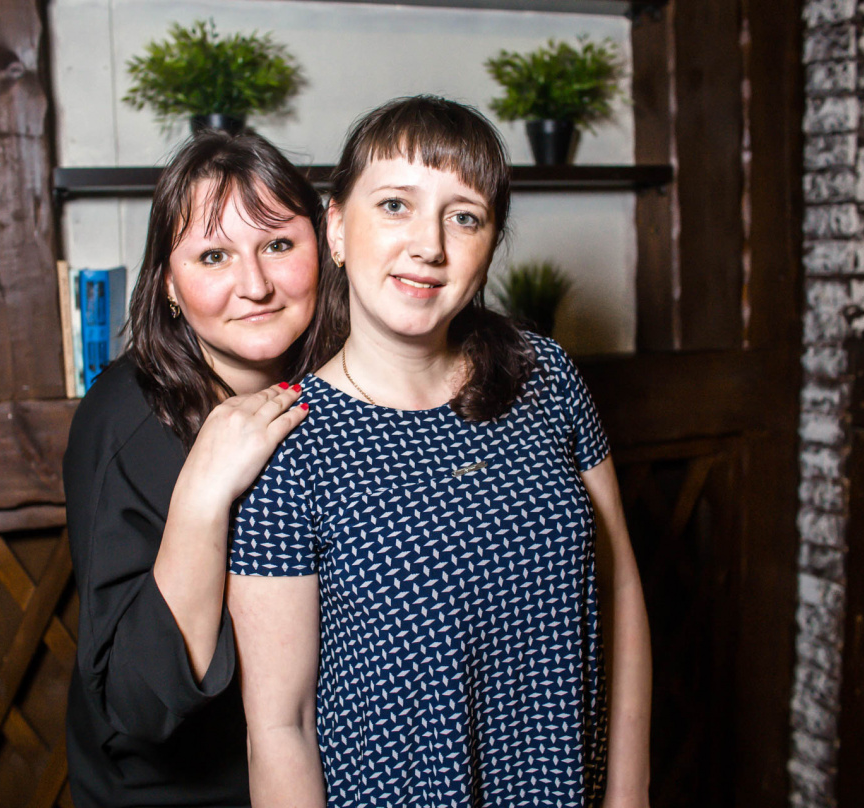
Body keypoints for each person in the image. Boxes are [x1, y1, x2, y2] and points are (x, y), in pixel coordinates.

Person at [226, 96, 653, 808]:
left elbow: (622, 592)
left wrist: (629, 792)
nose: (429, 245)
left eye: (465, 217)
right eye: (395, 205)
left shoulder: (546, 376)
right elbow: (280, 727)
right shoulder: (289, 443)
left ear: (491, 243)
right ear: (336, 228)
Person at [63, 130, 325, 808]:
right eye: (214, 256)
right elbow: (139, 701)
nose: (256, 285)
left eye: (278, 245)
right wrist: (204, 493)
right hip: (182, 790)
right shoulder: (125, 420)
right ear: (169, 286)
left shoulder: (340, 385)